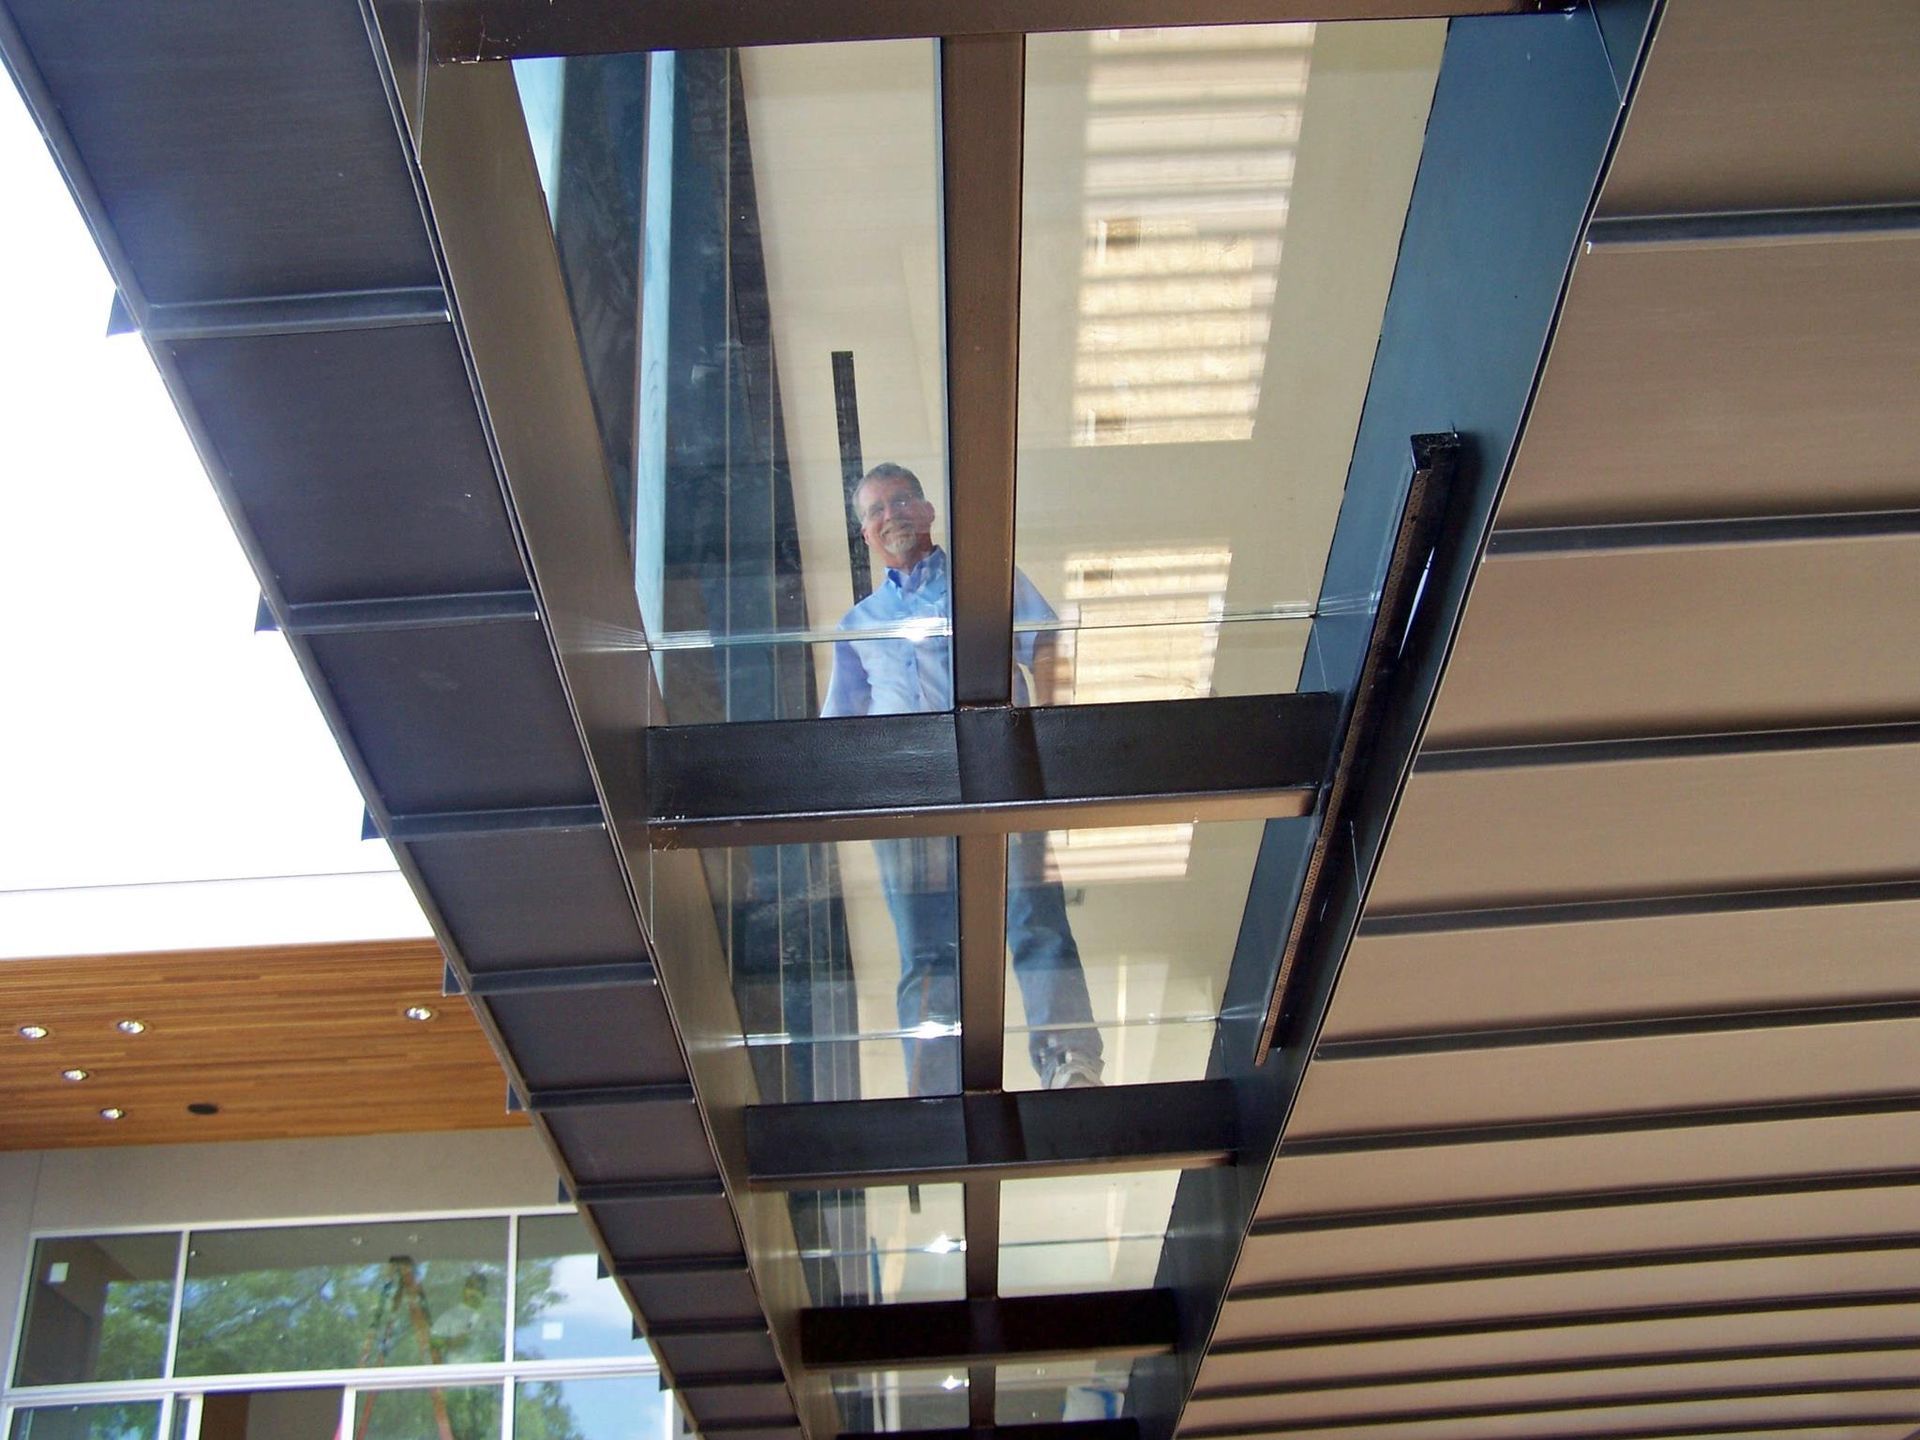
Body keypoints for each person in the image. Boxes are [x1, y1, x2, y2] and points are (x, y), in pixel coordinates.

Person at [821, 462, 1104, 1092]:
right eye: (875, 510)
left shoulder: (985, 582)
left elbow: (1047, 644)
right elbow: (839, 728)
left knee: (1031, 914)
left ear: (926, 512)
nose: (890, 515)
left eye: (901, 502)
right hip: (907, 794)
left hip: (997, 771)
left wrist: (1051, 742)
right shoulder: (857, 624)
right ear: (865, 534)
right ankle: (938, 1092)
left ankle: (1069, 1062)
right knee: (925, 947)